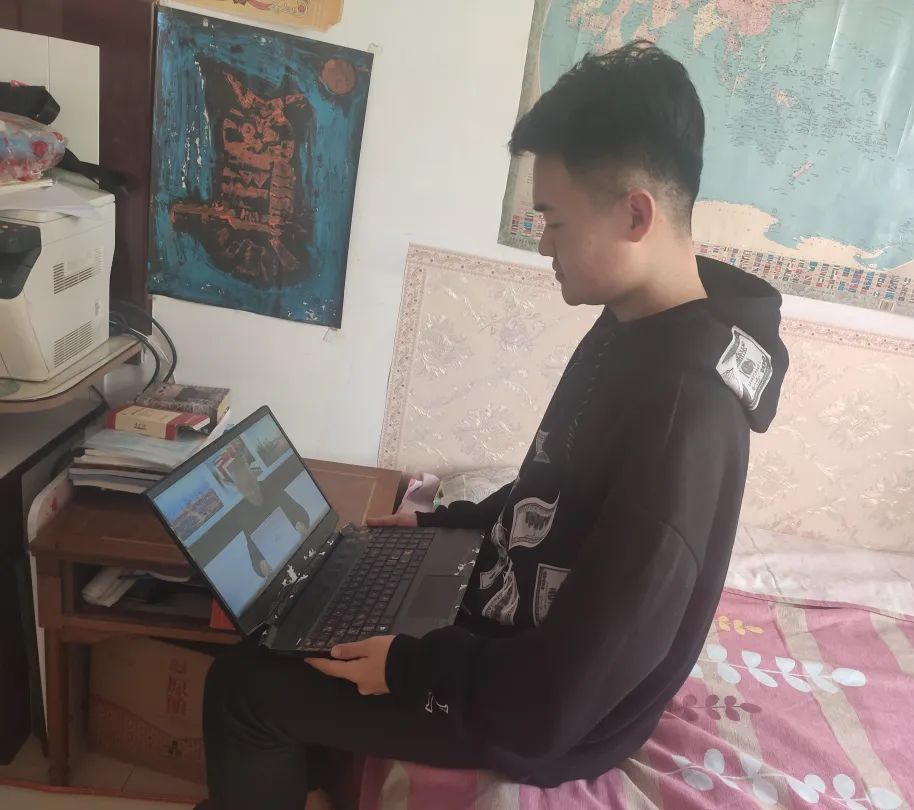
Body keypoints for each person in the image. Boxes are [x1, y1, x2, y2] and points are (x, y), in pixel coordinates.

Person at [197, 41, 787, 809]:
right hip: (510, 634)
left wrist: (408, 669)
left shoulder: (686, 414)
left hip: (545, 712)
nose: (542, 244)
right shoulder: (636, 321)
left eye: (553, 220)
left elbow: (562, 696)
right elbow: (562, 487)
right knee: (304, 622)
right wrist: (444, 523)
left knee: (242, 688)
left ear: (635, 214)